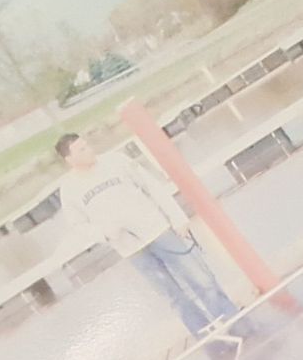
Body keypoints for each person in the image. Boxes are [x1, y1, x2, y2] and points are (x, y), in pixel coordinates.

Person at [52, 132, 243, 338]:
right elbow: (78, 225)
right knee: (174, 296)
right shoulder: (69, 190)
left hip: (158, 230)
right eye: (81, 150)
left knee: (201, 279)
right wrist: (104, 233)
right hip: (131, 249)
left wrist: (177, 218)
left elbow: (152, 187)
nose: (89, 150)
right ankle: (208, 337)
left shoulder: (116, 161)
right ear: (69, 159)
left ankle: (234, 321)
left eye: (87, 145)